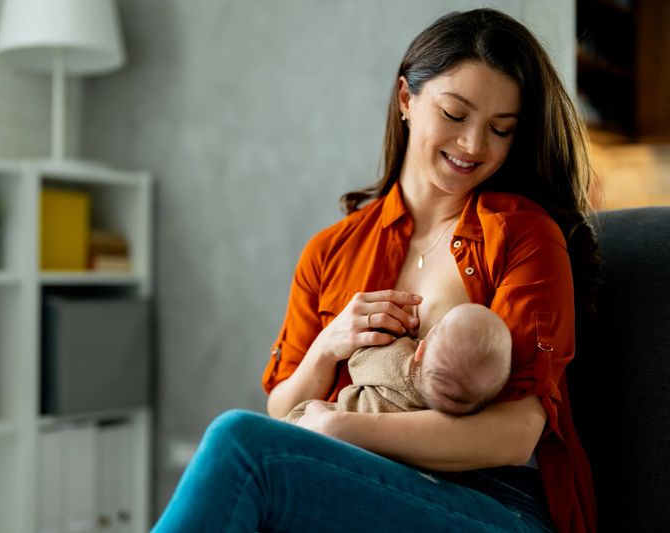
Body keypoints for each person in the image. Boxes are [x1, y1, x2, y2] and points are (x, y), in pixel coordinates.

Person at [152, 7, 599, 533]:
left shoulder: (524, 235)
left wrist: (345, 428)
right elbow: (284, 409)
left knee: (242, 445)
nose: (474, 146)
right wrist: (328, 345)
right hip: (370, 482)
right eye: (455, 115)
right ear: (407, 99)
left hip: (496, 504)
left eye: (500, 130)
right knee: (250, 450)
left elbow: (517, 433)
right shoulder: (332, 250)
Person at [284, 303, 512, 422]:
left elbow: (359, 361)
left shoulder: (400, 363)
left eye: (440, 326)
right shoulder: (441, 421)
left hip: (317, 423)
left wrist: (396, 335)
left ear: (421, 348)